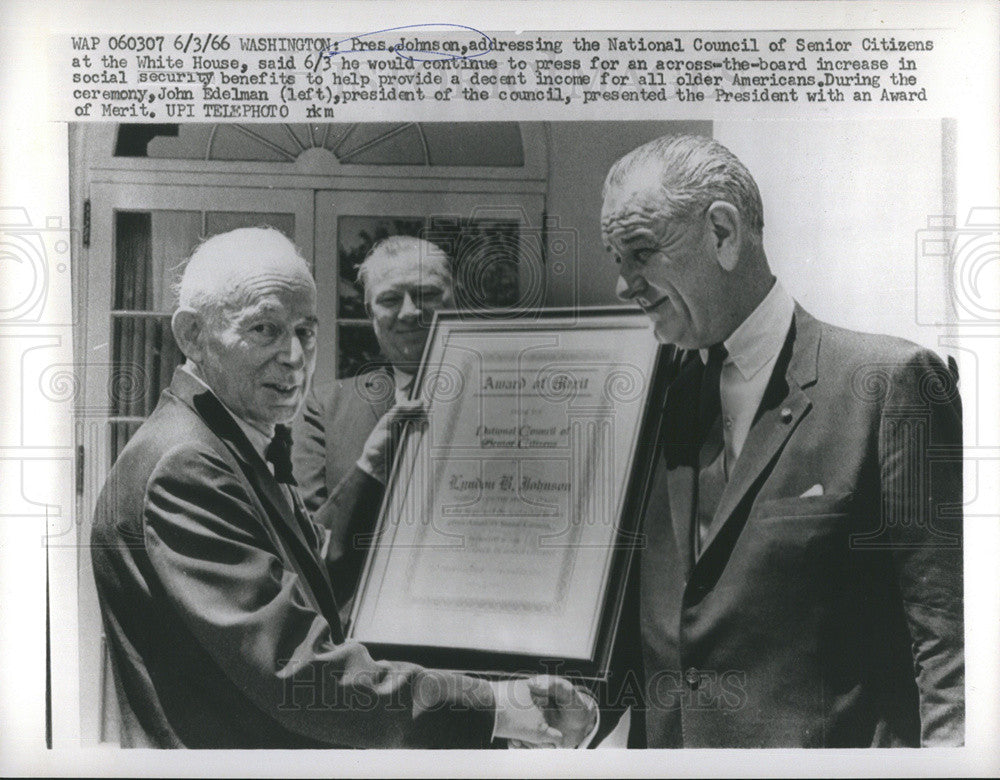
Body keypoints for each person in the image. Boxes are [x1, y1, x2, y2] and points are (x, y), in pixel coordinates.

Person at [89, 227, 595, 749]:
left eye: (306, 331)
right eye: (264, 329)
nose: (293, 356)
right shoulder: (187, 464)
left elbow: (313, 568)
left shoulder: (224, 441)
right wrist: (496, 705)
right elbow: (299, 675)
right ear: (193, 335)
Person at [599, 134, 963, 747]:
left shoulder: (886, 385)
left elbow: (948, 638)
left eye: (640, 252)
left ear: (723, 233)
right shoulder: (650, 400)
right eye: (617, 259)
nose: (623, 284)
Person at [291, 236, 454, 613]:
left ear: (454, 302)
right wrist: (368, 470)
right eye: (390, 299)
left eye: (427, 295)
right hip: (364, 647)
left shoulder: (503, 402)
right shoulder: (324, 409)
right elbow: (306, 559)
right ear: (370, 313)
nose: (411, 312)